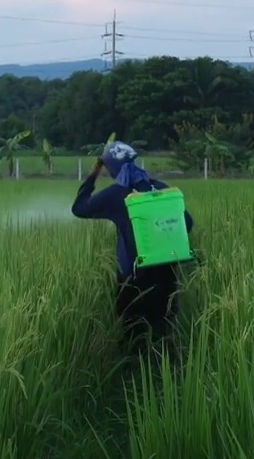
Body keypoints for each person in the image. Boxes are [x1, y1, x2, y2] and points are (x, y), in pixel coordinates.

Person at [71, 140, 195, 350]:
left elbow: (79, 209)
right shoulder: (161, 189)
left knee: (132, 330)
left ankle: (134, 372)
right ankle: (168, 370)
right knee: (164, 326)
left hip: (133, 275)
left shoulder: (117, 194)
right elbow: (188, 223)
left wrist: (93, 174)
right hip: (167, 271)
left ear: (111, 168)